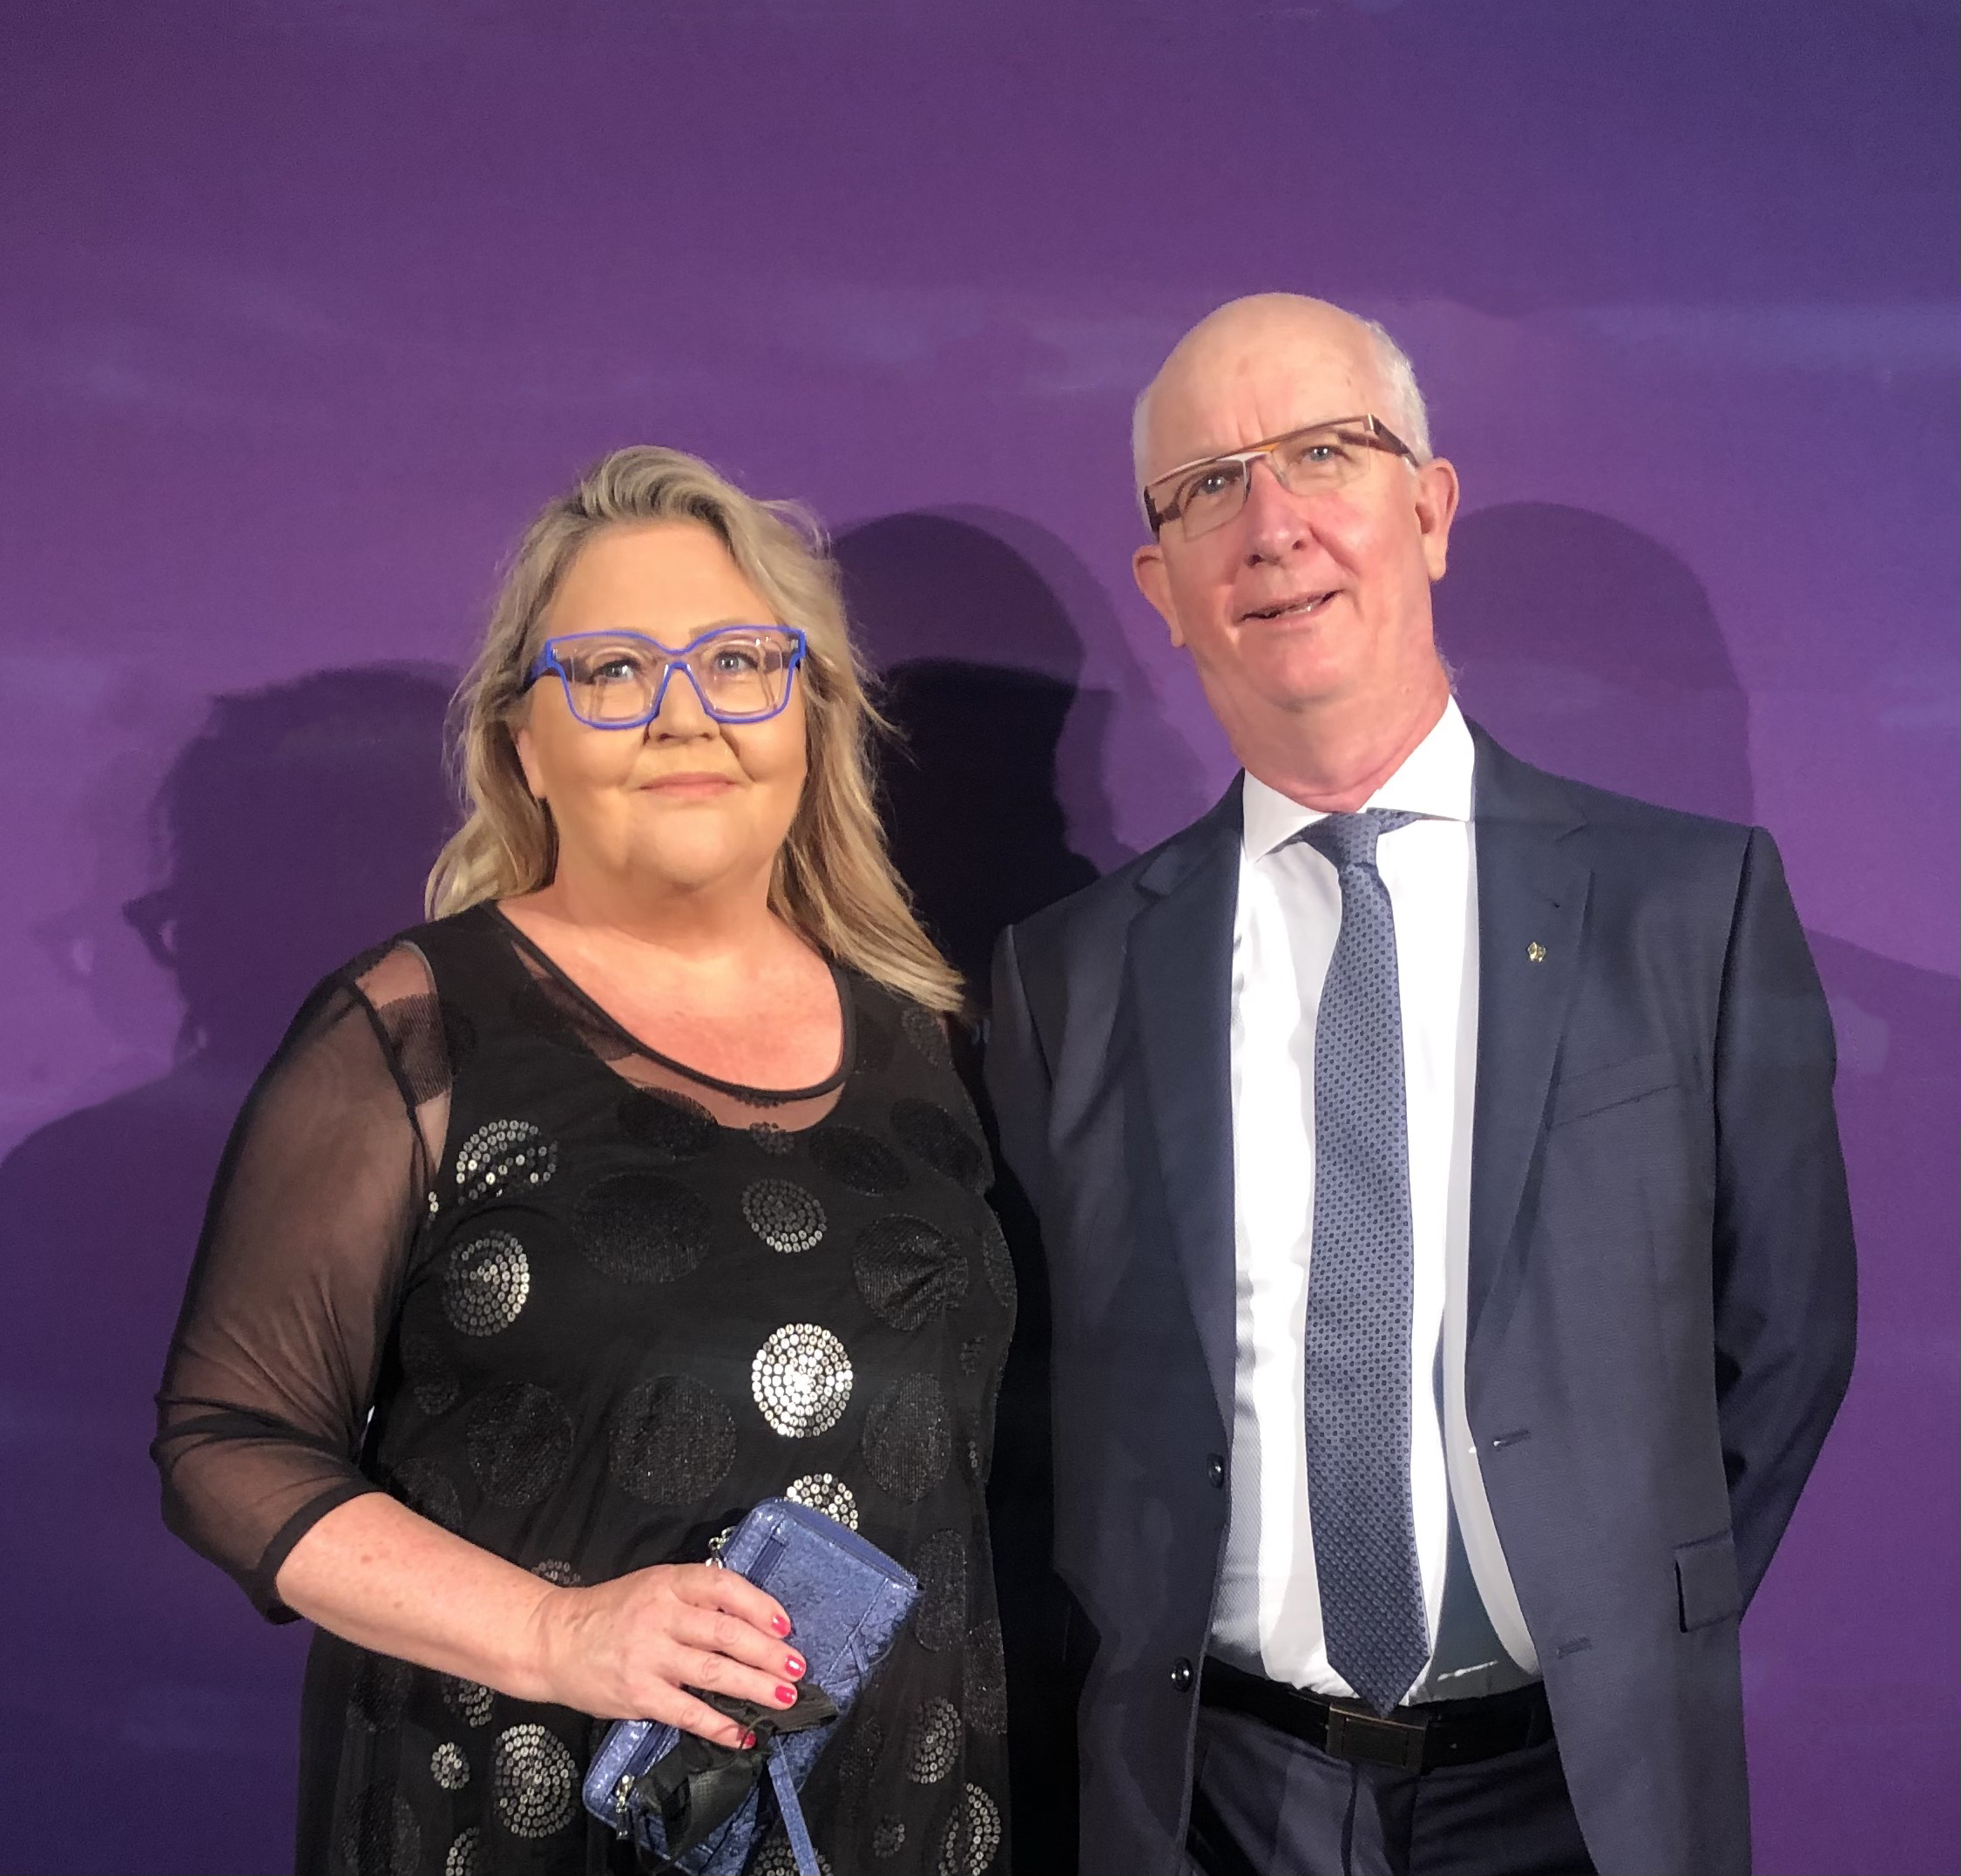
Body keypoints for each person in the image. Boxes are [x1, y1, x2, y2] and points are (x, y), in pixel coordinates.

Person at [983, 295, 1855, 1876]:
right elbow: (1044, 1417)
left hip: (1584, 1799)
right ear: (1161, 586)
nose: (1273, 522)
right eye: (1207, 487)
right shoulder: (1066, 978)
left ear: (1430, 508)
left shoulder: (1690, 906)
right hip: (1209, 1802)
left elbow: (1786, 1334)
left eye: (1326, 451)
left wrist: (1621, 1621)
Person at [154, 448, 1014, 1876]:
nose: (685, 715)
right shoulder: (420, 1028)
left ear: (811, 715)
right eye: (611, 672)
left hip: (895, 1821)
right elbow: (226, 1446)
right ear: (522, 741)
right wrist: (562, 1635)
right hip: (515, 1820)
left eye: (740, 659)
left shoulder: (931, 1040)